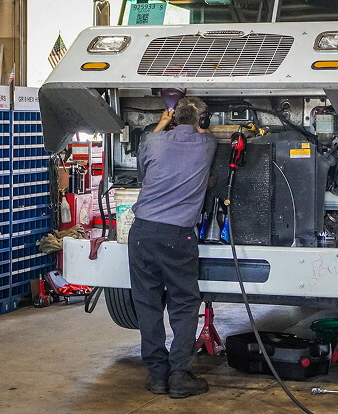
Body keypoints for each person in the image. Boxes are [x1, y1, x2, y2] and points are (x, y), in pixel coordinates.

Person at [128, 97, 217, 399]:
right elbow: (206, 134)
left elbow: (143, 166)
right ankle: (180, 375)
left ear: (174, 118)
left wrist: (164, 122)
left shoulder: (153, 142)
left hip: (142, 233)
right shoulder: (207, 146)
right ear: (202, 122)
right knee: (183, 305)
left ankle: (157, 376)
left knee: (148, 305)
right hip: (178, 236)